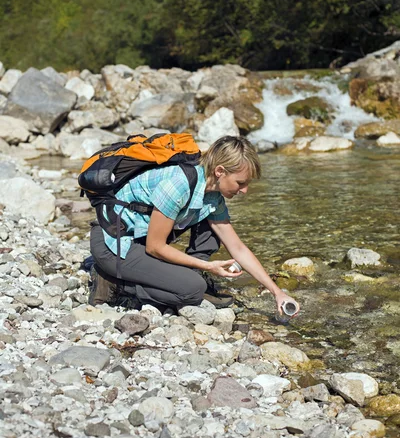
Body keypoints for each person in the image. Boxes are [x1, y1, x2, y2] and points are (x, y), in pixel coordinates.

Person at [89, 135, 300, 317]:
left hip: (139, 237)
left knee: (210, 224)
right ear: (220, 171)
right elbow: (155, 246)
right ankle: (114, 284)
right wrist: (207, 266)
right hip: (113, 245)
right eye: (241, 183)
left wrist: (277, 292)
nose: (245, 191)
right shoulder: (178, 185)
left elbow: (238, 248)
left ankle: (180, 275)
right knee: (192, 290)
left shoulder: (213, 196)